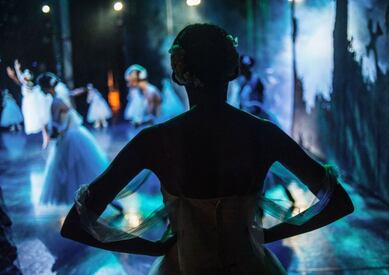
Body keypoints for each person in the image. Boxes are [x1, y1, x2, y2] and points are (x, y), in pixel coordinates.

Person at [61, 24, 354, 274]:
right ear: (233, 69)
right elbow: (339, 202)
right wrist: (270, 234)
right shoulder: (263, 134)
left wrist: (151, 248)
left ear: (179, 73)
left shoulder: (154, 140)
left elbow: (76, 224)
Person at [36, 73, 120, 213]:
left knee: (79, 172)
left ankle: (101, 204)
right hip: (71, 136)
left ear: (46, 87)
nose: (41, 91)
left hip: (69, 139)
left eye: (42, 87)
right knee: (82, 172)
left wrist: (52, 133)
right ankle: (98, 204)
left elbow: (58, 125)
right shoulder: (58, 100)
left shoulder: (56, 102)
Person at [6, 60, 50, 141]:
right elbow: (21, 82)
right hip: (29, 99)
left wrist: (13, 76)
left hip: (33, 99)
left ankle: (46, 136)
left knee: (41, 117)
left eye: (18, 64)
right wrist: (16, 72)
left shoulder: (28, 74)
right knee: (39, 118)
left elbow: (24, 83)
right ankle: (46, 136)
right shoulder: (24, 75)